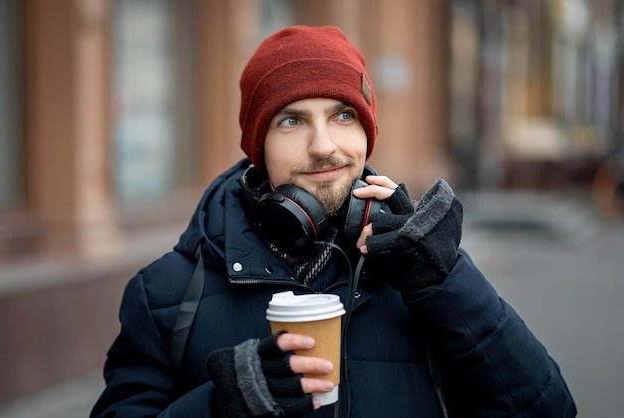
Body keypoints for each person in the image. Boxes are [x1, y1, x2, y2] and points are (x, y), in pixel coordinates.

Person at [91, 25, 577, 418]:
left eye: (343, 115)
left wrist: (448, 283)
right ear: (257, 149)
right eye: (291, 121)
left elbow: (546, 407)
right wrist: (218, 405)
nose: (324, 145)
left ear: (367, 133)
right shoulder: (167, 295)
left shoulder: (422, 272)